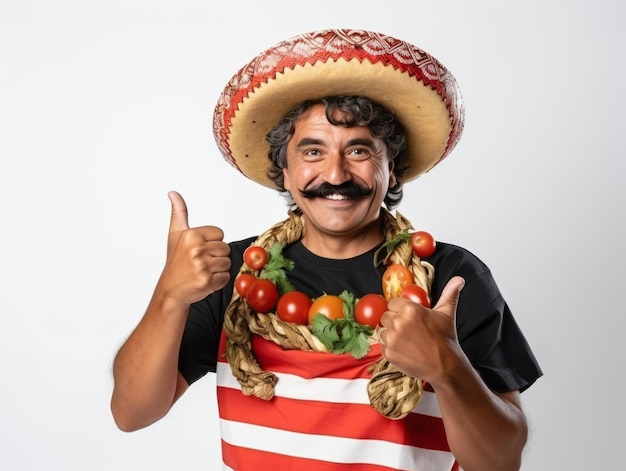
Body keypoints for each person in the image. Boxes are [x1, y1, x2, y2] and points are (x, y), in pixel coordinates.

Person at [111, 29, 542, 471]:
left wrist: (447, 368)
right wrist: (170, 296)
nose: (335, 174)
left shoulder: (449, 276)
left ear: (391, 170)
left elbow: (500, 462)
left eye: (358, 150)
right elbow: (131, 414)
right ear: (285, 169)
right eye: (312, 151)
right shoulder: (236, 273)